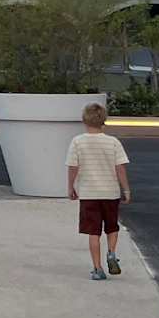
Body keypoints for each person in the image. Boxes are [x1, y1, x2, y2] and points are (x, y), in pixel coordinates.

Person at [66, 102, 131, 281]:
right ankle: (111, 252)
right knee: (112, 227)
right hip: (110, 193)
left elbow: (73, 167)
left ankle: (98, 268)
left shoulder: (77, 142)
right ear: (104, 120)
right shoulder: (113, 142)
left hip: (89, 194)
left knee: (93, 232)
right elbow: (120, 168)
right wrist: (126, 189)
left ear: (84, 120)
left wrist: (71, 186)